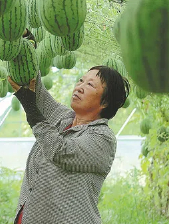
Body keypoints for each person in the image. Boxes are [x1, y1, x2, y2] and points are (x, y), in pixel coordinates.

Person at [8, 60, 130, 224]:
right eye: (81, 80)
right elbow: (37, 92)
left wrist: (30, 108)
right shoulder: (63, 117)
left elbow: (59, 151)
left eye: (90, 85)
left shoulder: (103, 139)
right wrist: (27, 44)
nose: (80, 87)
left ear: (105, 102)